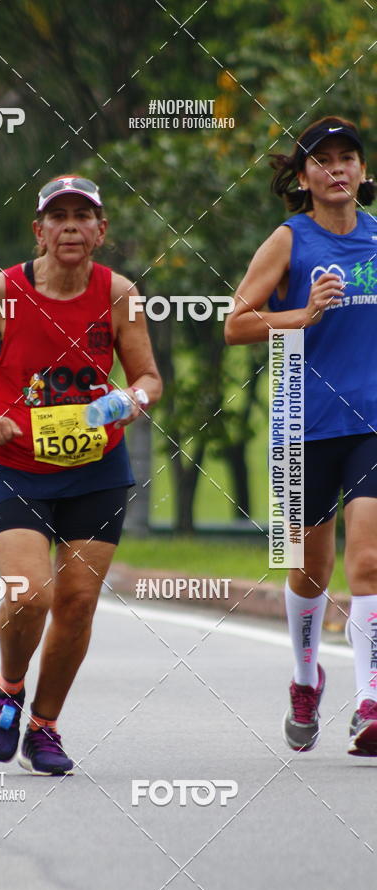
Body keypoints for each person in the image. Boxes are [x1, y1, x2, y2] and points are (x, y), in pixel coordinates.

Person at [0, 175, 162, 774]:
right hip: (17, 470)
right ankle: (9, 687)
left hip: (97, 471)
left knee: (79, 602)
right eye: (57, 217)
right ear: (38, 230)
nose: (70, 226)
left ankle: (44, 725)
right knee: (29, 594)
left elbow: (148, 378)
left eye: (82, 217)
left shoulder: (120, 293)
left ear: (100, 230)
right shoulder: (3, 290)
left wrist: (121, 403)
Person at [225, 116, 377, 756]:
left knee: (367, 561)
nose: (337, 168)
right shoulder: (289, 240)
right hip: (303, 424)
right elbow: (236, 324)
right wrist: (303, 314)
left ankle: (370, 701)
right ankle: (305, 675)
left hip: (371, 421)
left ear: (364, 173)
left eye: (348, 158)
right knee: (309, 571)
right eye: (323, 160)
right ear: (305, 176)